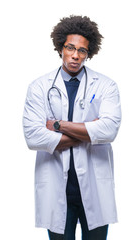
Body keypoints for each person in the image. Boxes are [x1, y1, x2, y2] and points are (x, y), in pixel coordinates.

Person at [23, 15, 121, 240]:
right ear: (60, 47)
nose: (76, 55)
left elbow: (109, 130)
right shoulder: (39, 87)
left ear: (89, 53)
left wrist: (58, 125)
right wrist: (90, 131)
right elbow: (33, 137)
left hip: (94, 187)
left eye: (82, 50)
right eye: (70, 48)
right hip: (58, 188)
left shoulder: (106, 85)